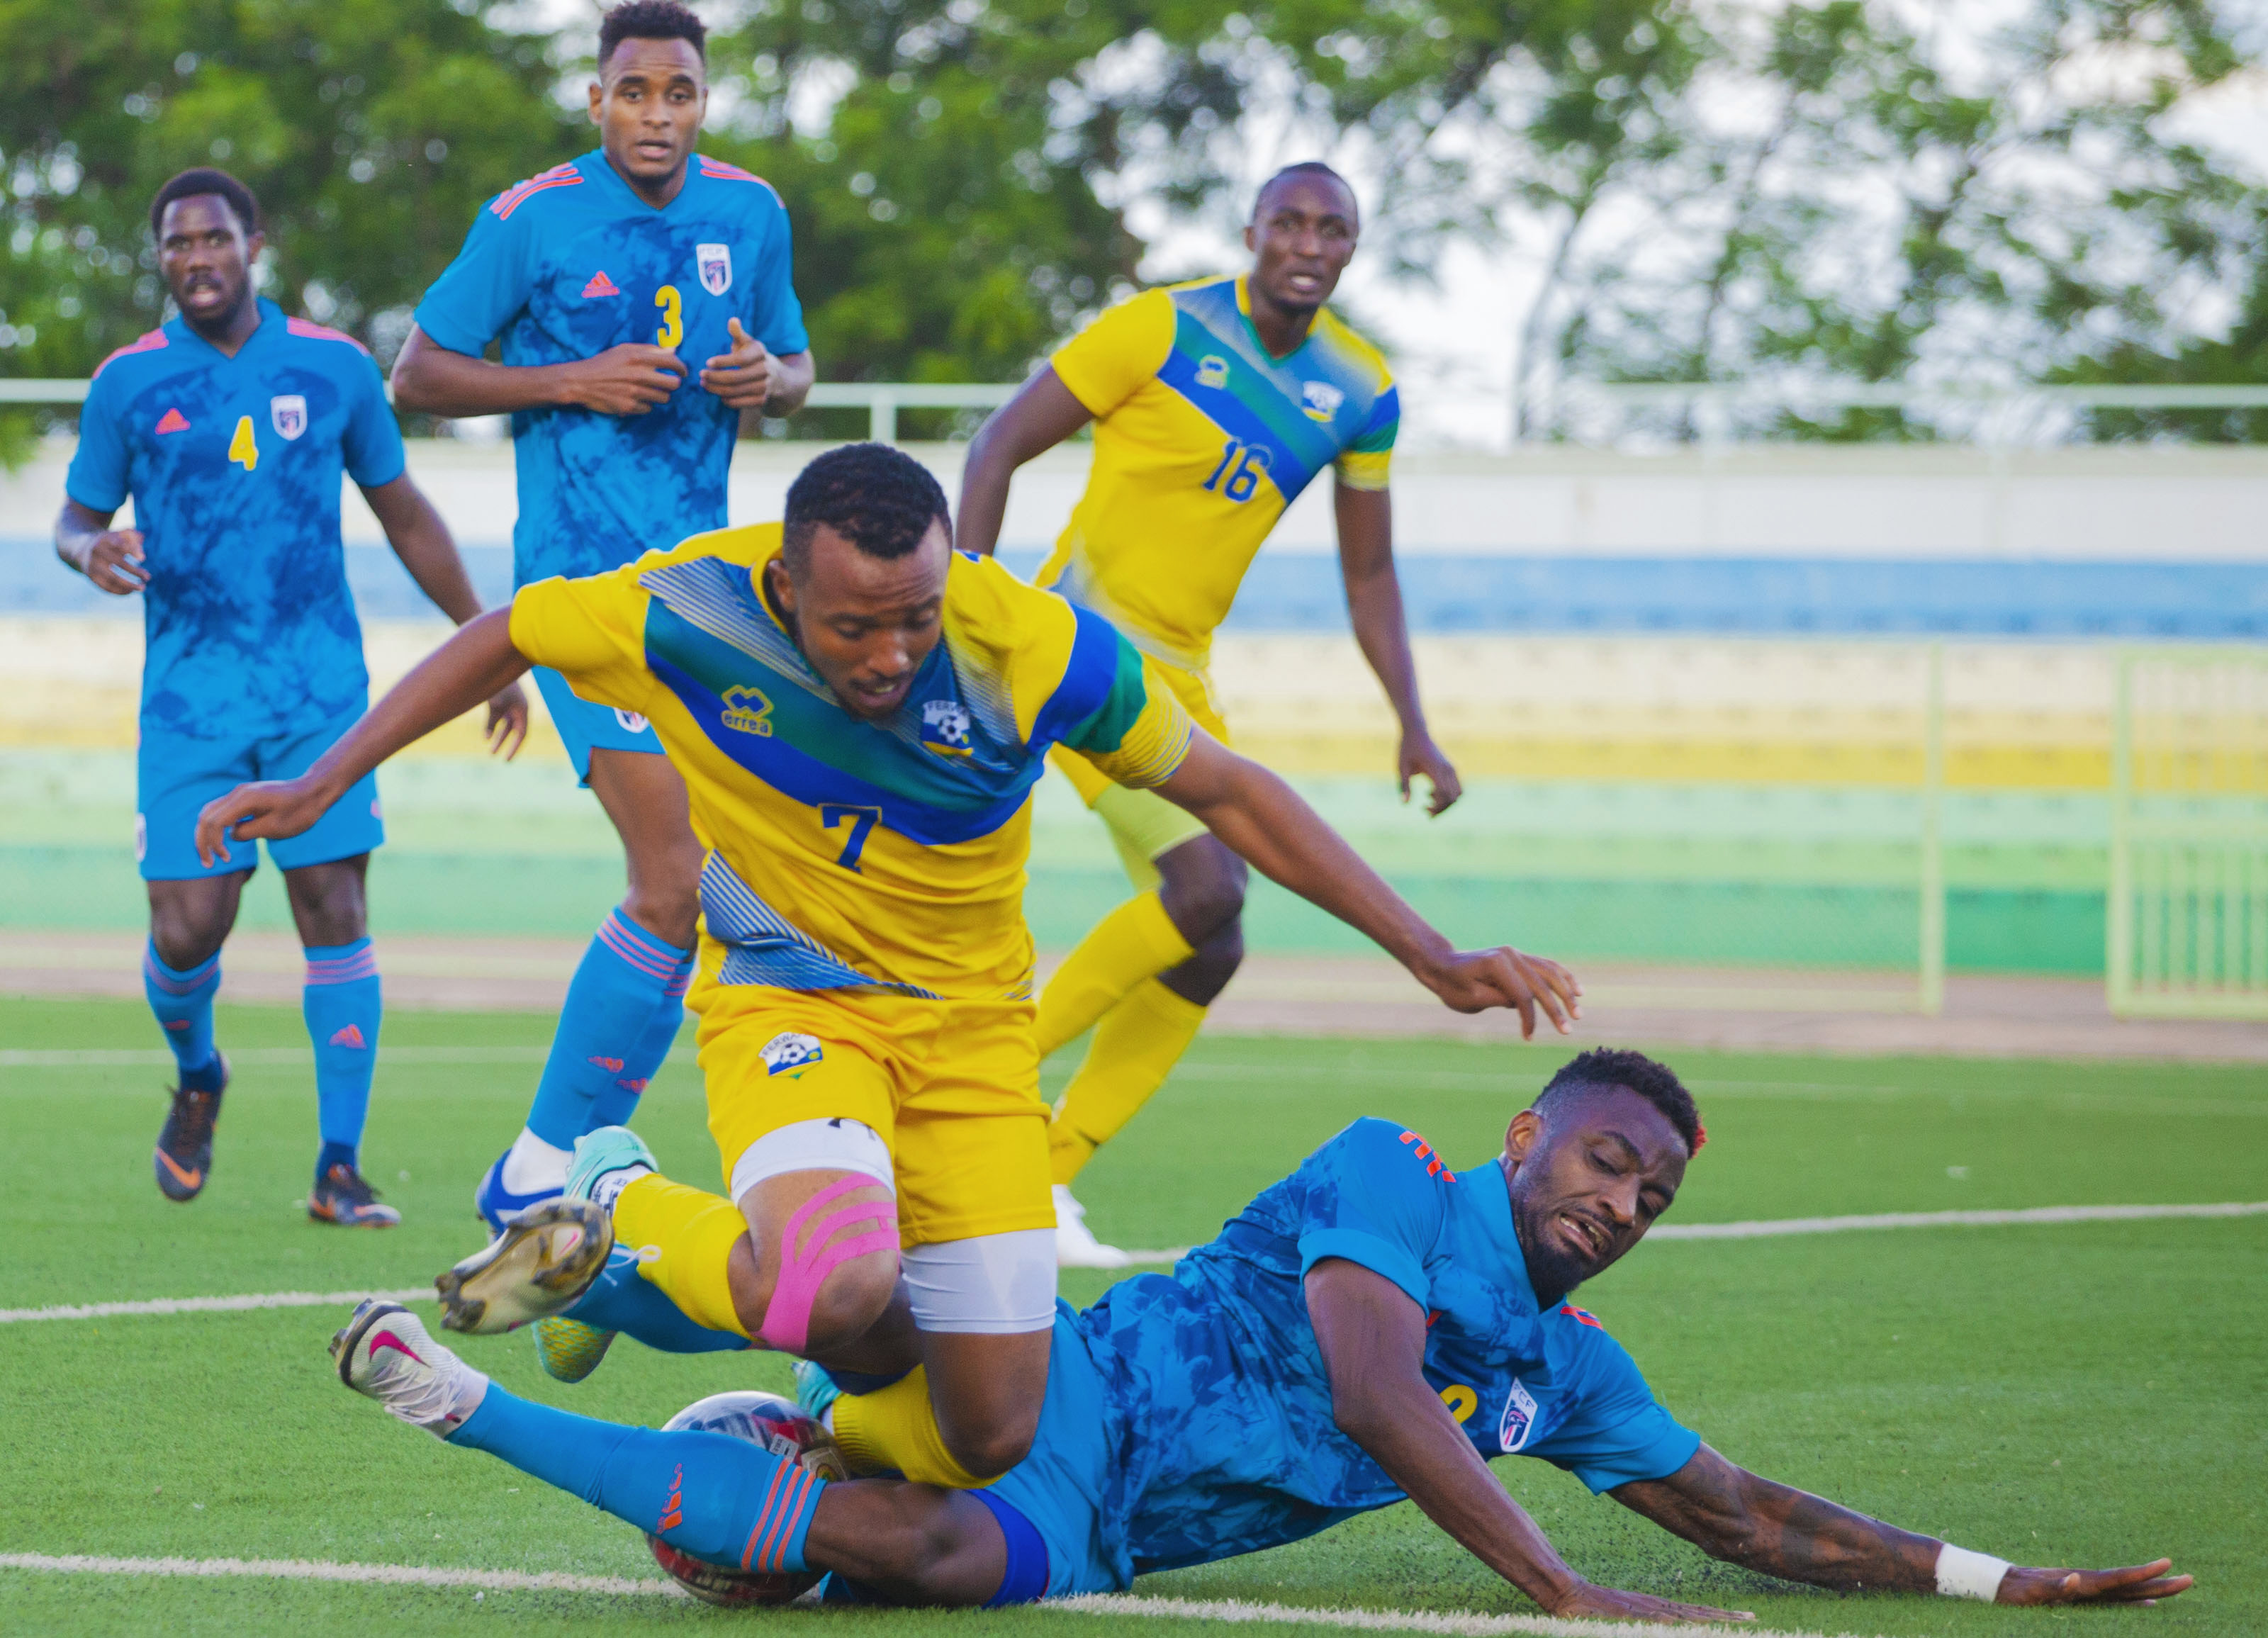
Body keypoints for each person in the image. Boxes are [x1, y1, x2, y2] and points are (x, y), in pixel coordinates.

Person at [198, 441, 1579, 1494]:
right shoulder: (684, 609)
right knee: (839, 1287)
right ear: (785, 582)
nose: (891, 651)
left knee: (983, 1432)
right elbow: (507, 630)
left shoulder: (1026, 648)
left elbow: (1229, 790)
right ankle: (618, 1200)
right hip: (790, 1004)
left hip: (978, 1042)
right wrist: (325, 779)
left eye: (913, 614)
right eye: (854, 623)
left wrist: (1430, 952)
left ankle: (681, 1324)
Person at [330, 1047, 2191, 1621]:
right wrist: (1556, 1589)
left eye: (1656, 1199)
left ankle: (507, 1388)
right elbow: (1381, 1394)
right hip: (1057, 1372)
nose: (1622, 1204)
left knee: (951, 1563)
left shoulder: (1574, 1380)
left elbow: (1742, 1518)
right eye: (1608, 1161)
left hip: (1098, 1526)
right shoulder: (1389, 1170)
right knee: (880, 1302)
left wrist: (1997, 1581)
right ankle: (619, 1204)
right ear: (1527, 1135)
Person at [956, 161, 1456, 1265]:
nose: (1310, 243)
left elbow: (1369, 578)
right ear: (1253, 231)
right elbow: (995, 445)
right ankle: (970, 1099)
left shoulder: (1361, 391)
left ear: (1351, 249)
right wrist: (961, 605)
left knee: (1212, 943)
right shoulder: (1159, 329)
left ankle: (1042, 1177)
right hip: (1073, 645)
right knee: (1206, 884)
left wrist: (1411, 721)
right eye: (1291, 221)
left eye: (1335, 227)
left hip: (1182, 673)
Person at [389, 0, 816, 1233]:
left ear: (702, 102)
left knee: (730, 882)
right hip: (580, 596)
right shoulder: (531, 220)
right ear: (597, 101)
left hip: (719, 603)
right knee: (678, 874)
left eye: (678, 93)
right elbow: (418, 372)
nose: (656, 116)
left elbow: (793, 369)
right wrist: (567, 380)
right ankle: (548, 1162)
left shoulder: (752, 213)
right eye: (634, 93)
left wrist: (766, 384)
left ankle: (582, 1160)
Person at [54, 167, 527, 1226]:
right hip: (190, 706)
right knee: (188, 931)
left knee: (334, 906)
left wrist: (484, 642)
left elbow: (405, 513)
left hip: (321, 694)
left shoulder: (334, 369)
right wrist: (90, 550)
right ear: (162, 259)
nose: (195, 260)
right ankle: (199, 1076)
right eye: (175, 245)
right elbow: (74, 520)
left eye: (213, 240)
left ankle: (340, 1165)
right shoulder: (128, 384)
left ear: (252, 243)